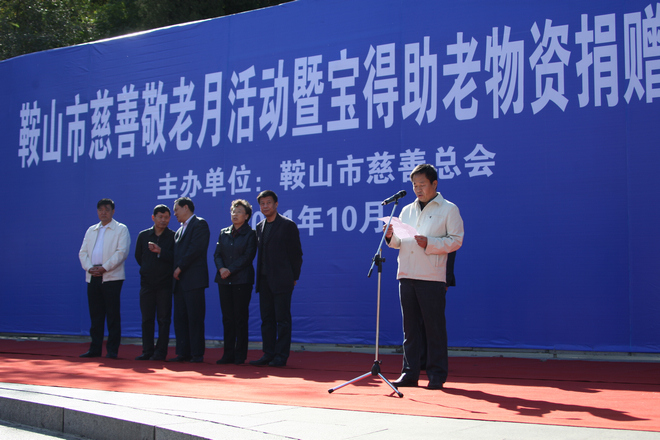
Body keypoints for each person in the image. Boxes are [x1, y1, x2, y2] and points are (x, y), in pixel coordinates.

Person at [385, 164, 463, 389]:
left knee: (433, 328)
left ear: (434, 184)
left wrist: (430, 242)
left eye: (422, 185)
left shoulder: (448, 209)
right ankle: (409, 373)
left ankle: (436, 374)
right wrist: (390, 237)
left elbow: (456, 240)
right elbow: (399, 242)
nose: (418, 189)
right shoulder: (407, 210)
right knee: (410, 329)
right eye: (414, 185)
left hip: (431, 275)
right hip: (406, 273)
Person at [249, 190, 303, 367]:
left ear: (276, 204)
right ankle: (268, 353)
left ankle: (281, 356)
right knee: (267, 320)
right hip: (264, 280)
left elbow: (296, 254)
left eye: (269, 203)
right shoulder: (259, 227)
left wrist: (294, 277)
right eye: (262, 204)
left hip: (282, 279)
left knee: (282, 320)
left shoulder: (287, 225)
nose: (265, 206)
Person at [78, 198, 130, 359]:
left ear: (113, 211)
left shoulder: (120, 229)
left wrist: (104, 267)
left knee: (112, 315)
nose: (103, 212)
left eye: (107, 209)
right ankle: (95, 349)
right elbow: (83, 253)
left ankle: (112, 350)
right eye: (100, 209)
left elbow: (122, 252)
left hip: (111, 277)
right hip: (92, 275)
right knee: (96, 315)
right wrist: (90, 268)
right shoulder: (91, 230)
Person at [213, 199, 257, 365]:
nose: (235, 214)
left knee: (240, 318)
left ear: (246, 216)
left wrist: (229, 269)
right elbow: (217, 254)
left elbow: (248, 257)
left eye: (239, 212)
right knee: (227, 318)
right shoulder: (224, 232)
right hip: (224, 281)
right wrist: (221, 269)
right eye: (233, 211)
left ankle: (240, 355)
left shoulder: (250, 234)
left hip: (241, 281)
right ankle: (228, 354)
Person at [169, 197, 210, 363]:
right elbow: (175, 254)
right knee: (180, 318)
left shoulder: (200, 224)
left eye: (176, 210)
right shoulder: (179, 231)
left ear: (186, 207)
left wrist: (180, 267)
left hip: (194, 280)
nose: (175, 214)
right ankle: (183, 352)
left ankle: (196, 353)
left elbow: (196, 249)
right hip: (179, 282)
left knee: (195, 317)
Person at [134, 204, 175, 361]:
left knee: (164, 319)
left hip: (165, 284)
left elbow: (175, 257)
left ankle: (161, 352)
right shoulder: (144, 235)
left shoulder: (173, 236)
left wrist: (160, 251)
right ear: (153, 218)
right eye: (160, 217)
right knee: (147, 319)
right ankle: (147, 350)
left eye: (166, 217)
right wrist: (147, 269)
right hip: (147, 284)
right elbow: (139, 257)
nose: (163, 220)